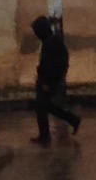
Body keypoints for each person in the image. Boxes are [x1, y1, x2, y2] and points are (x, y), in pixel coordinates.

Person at [31, 11, 80, 145]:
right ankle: (72, 119)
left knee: (42, 107)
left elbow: (51, 64)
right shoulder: (51, 41)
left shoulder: (51, 43)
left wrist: (47, 82)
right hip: (50, 79)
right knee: (47, 106)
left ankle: (45, 135)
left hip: (49, 81)